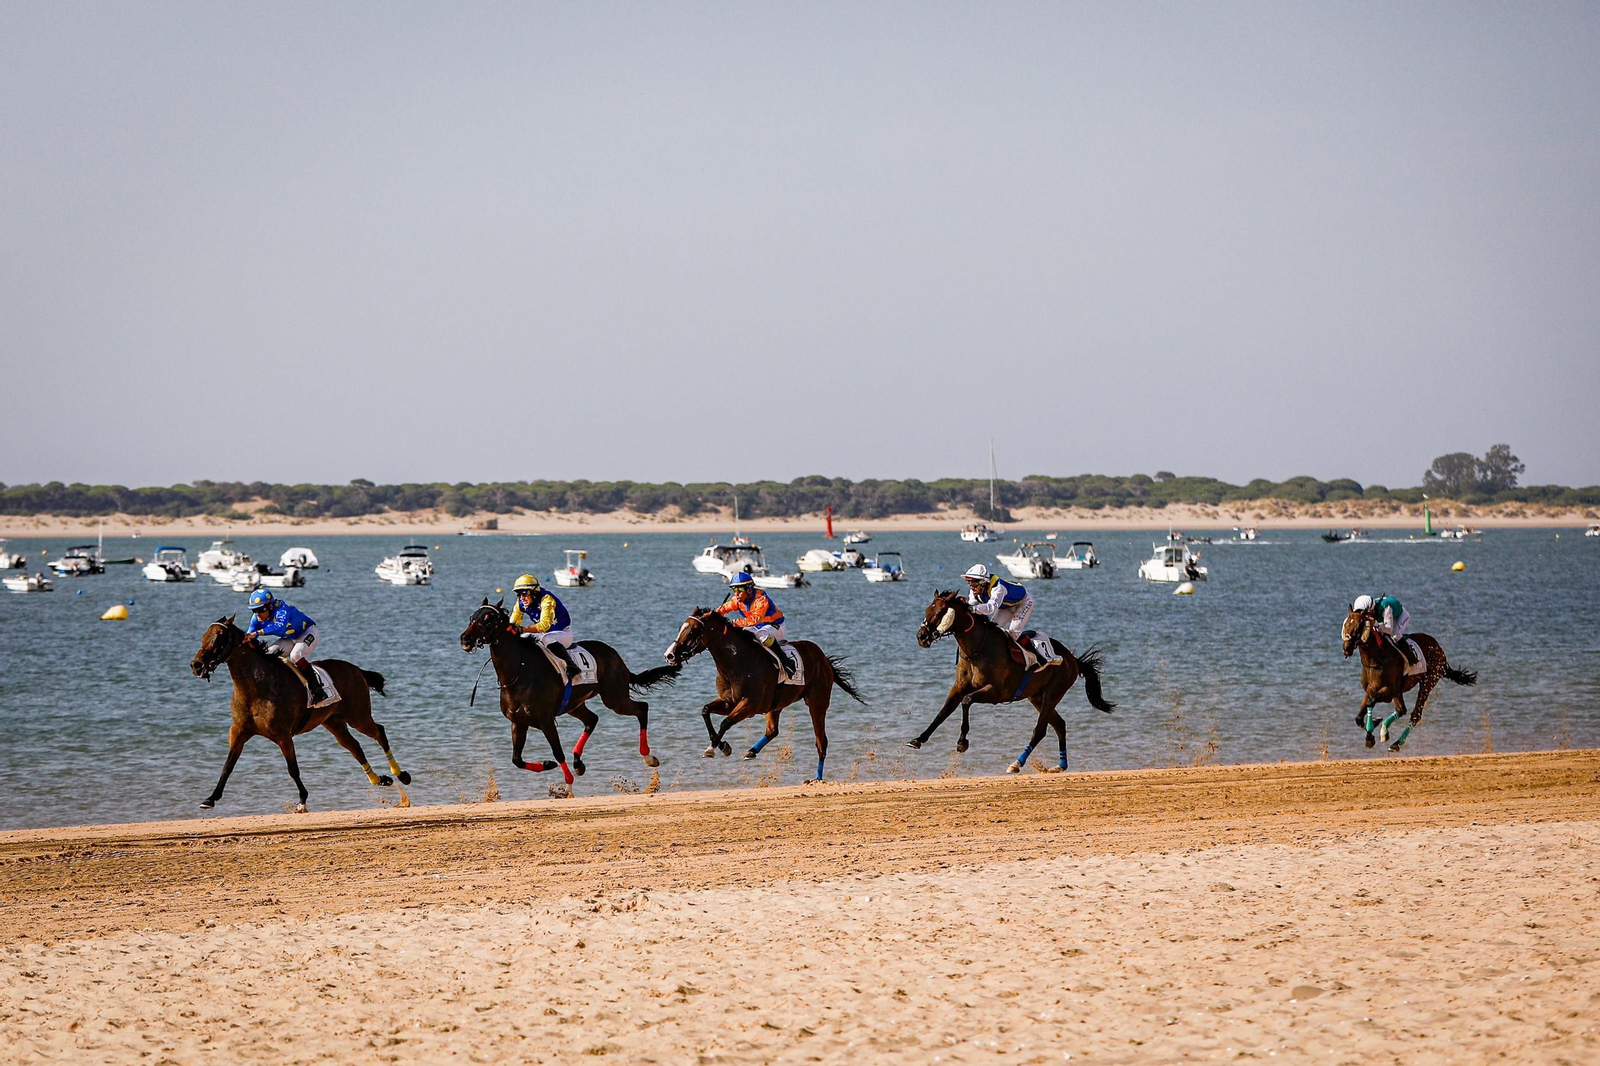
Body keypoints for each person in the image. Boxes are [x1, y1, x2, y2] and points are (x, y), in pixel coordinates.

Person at [244, 588, 328, 704]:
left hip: (307, 632)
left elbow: (280, 627)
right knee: (268, 656)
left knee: (295, 655)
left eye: (261, 609)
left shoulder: (281, 610)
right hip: (290, 638)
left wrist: (258, 633)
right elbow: (250, 637)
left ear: (270, 607)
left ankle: (317, 690)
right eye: (254, 610)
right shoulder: (256, 619)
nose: (258, 614)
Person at [716, 571, 789, 679]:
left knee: (761, 635)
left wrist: (733, 622)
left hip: (775, 626)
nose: (736, 594)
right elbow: (724, 608)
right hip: (758, 626)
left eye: (740, 590)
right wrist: (712, 616)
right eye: (734, 590)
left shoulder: (761, 599)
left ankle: (785, 662)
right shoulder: (738, 600)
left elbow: (755, 620)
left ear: (749, 589)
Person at [509, 573, 576, 679]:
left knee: (547, 638)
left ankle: (571, 665)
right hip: (543, 634)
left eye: (524, 593)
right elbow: (512, 623)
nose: (522, 598)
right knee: (522, 638)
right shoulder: (520, 603)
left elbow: (544, 626)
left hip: (563, 633)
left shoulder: (547, 600)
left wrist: (521, 629)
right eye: (519, 594)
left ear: (534, 592)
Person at [963, 564, 1034, 648]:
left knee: (1013, 633)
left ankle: (1033, 652)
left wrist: (973, 609)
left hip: (1023, 602)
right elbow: (972, 605)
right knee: (991, 630)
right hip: (1006, 606)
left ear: (983, 583)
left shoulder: (998, 588)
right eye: (969, 583)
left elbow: (990, 608)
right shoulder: (974, 591)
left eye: (974, 584)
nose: (972, 587)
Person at [1352, 593, 1417, 665]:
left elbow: (1389, 629)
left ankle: (1411, 658)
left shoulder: (1386, 608)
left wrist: (1375, 624)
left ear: (1372, 610)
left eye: (1366, 614)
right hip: (1385, 618)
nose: (1366, 616)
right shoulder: (1371, 608)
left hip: (1400, 616)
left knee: (1395, 636)